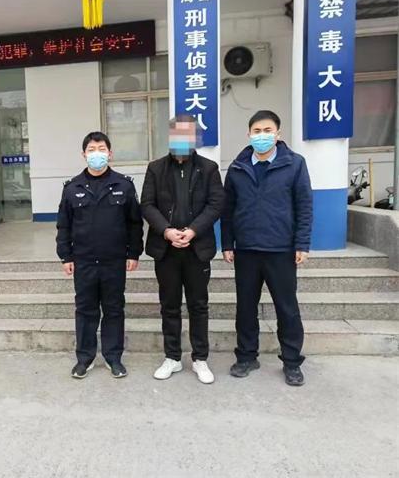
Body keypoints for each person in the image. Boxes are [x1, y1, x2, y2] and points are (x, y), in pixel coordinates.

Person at [221, 110, 313, 387]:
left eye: (267, 130)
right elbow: (228, 210)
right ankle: (247, 356)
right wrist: (227, 243)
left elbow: (304, 206)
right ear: (249, 134)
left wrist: (302, 243)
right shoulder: (237, 168)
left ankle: (292, 362)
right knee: (245, 308)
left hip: (281, 250)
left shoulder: (294, 164)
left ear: (278, 133)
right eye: (257, 131)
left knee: (287, 309)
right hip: (246, 250)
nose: (262, 136)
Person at [141, 115, 224, 384]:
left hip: (196, 248)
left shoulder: (209, 168)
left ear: (196, 138)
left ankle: (200, 358)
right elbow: (147, 205)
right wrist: (166, 231)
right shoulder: (155, 168)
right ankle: (172, 357)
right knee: (170, 305)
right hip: (166, 250)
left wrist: (193, 230)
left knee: (198, 306)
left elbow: (216, 204)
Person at [56, 131, 143, 379]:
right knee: (85, 310)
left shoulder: (123, 185)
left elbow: (135, 224)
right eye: (92, 150)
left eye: (101, 149)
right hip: (83, 261)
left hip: (114, 260)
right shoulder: (72, 188)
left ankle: (113, 358)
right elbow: (64, 226)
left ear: (110, 153)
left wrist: (133, 253)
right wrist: (66, 256)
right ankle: (84, 358)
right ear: (84, 154)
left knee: (114, 309)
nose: (97, 154)